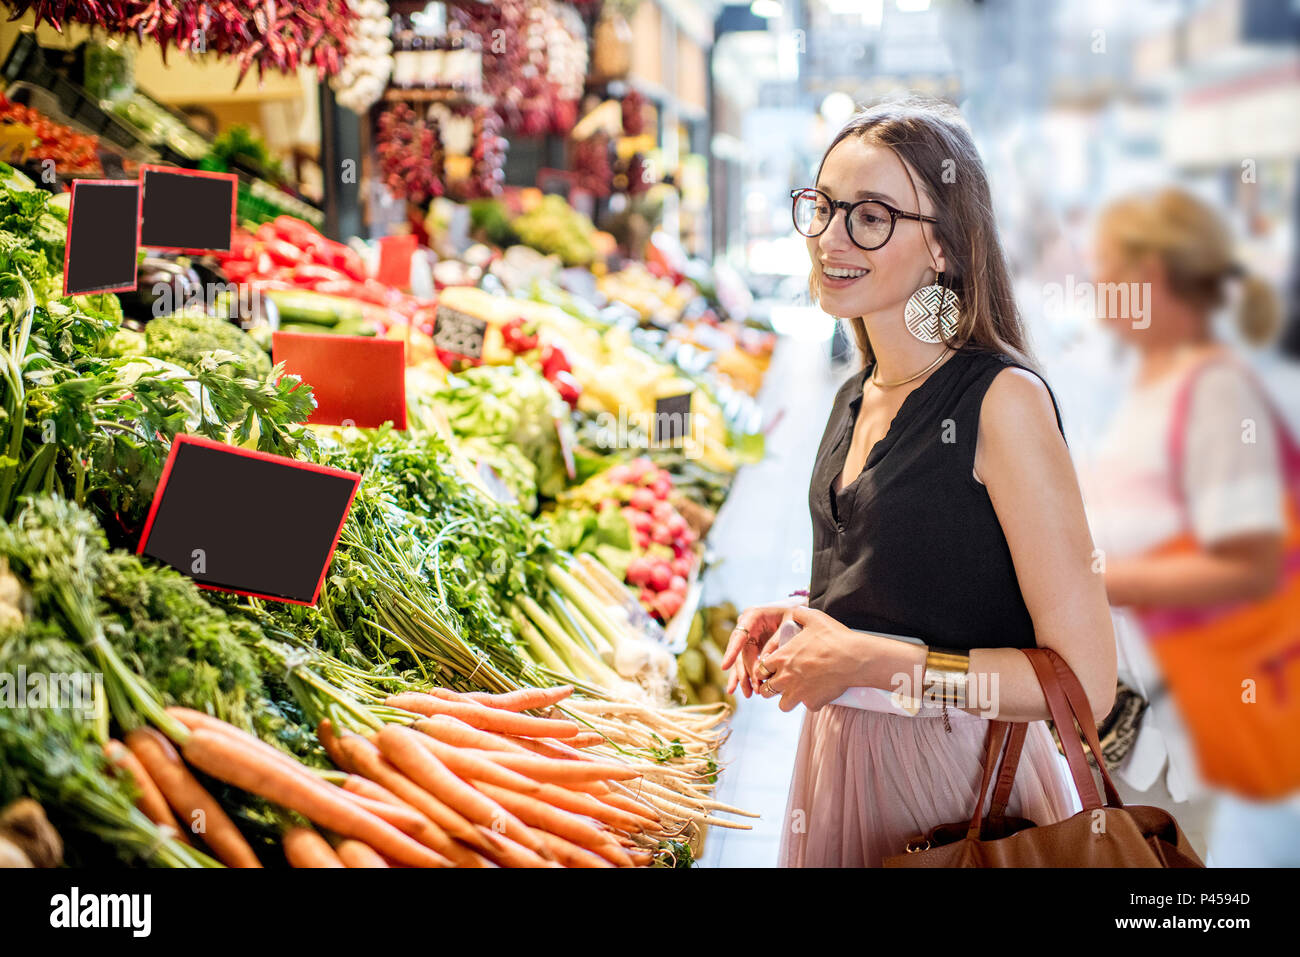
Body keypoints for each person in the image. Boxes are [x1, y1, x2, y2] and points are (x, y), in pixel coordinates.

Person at [720, 99, 1117, 868]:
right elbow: (924, 584)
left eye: (870, 216)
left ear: (941, 244)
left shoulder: (1001, 402)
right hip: (837, 767)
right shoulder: (857, 393)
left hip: (956, 791)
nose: (832, 238)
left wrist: (868, 661)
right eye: (824, 207)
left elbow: (1084, 683)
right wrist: (814, 618)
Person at [1082, 187, 1296, 866]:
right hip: (1149, 723)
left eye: (1106, 270)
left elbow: (1251, 564)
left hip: (1192, 729)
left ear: (1149, 278)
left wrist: (1098, 580)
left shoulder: (1216, 391)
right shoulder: (1153, 382)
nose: (1096, 288)